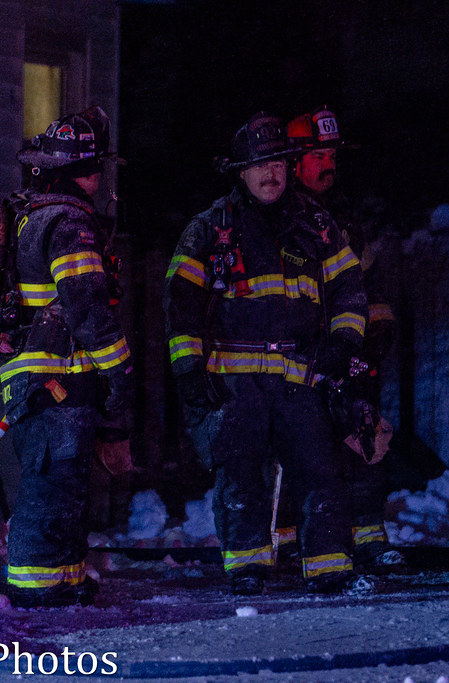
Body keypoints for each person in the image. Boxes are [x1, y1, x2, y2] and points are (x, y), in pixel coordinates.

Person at [163, 111, 371, 596]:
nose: (271, 173)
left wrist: (345, 343)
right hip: (235, 382)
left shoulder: (318, 225)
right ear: (241, 172)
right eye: (260, 165)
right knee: (240, 474)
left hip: (303, 376)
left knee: (319, 469)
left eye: (278, 162)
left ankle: (328, 568)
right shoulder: (209, 229)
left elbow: (349, 291)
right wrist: (189, 368)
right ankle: (247, 567)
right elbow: (181, 304)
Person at [0, 106, 134, 608]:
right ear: (91, 172)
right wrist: (119, 368)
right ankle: (36, 588)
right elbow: (88, 308)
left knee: (66, 481)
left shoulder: (33, 215)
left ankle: (66, 577)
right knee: (51, 484)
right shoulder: (71, 224)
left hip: (41, 376)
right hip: (55, 377)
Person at [282, 106, 403, 569]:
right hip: (298, 355)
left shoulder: (344, 217)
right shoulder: (277, 218)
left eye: (333, 154)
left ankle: (368, 532)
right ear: (293, 160)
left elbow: (367, 286)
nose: (329, 163)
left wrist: (372, 338)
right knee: (297, 445)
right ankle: (293, 538)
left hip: (347, 349)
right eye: (318, 155)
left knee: (364, 430)